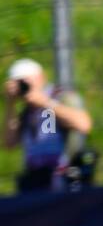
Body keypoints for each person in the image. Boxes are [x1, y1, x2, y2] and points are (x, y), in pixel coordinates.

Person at [3, 58, 94, 192]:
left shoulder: (61, 97)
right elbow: (9, 143)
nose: (23, 87)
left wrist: (45, 103)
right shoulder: (25, 112)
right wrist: (10, 104)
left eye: (26, 81)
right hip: (35, 178)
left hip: (64, 175)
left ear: (41, 78)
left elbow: (84, 124)